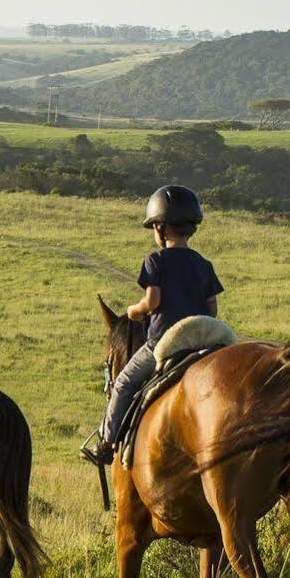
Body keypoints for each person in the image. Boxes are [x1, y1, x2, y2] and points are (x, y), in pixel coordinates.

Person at [80, 185, 222, 467]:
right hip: (204, 339)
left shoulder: (155, 260)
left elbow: (153, 300)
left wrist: (135, 310)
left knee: (123, 383)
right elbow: (213, 309)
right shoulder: (204, 264)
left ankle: (106, 444)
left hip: (164, 342)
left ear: (159, 227)